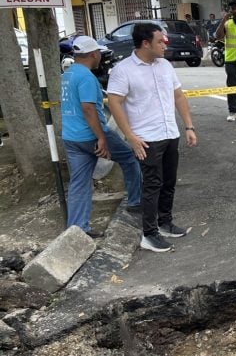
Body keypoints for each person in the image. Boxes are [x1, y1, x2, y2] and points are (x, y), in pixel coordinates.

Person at [106, 23, 198, 252]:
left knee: (168, 181)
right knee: (152, 185)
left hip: (169, 133)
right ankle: (149, 234)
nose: (165, 44)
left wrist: (188, 126)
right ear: (145, 43)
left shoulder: (165, 65)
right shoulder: (123, 70)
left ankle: (165, 222)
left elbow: (178, 96)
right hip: (146, 138)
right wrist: (130, 137)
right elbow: (115, 103)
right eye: (160, 41)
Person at [60, 36, 142, 237]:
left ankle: (77, 230)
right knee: (130, 157)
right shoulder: (87, 77)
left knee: (79, 182)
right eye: (98, 53)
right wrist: (101, 138)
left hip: (71, 138)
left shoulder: (67, 74)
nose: (100, 56)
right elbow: (88, 109)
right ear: (93, 54)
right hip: (90, 135)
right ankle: (136, 203)